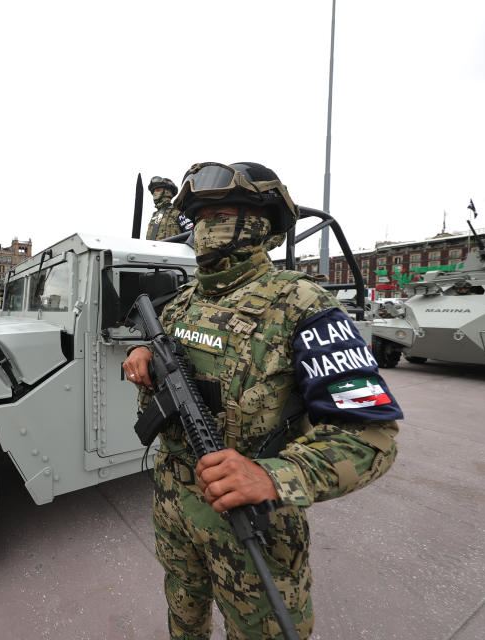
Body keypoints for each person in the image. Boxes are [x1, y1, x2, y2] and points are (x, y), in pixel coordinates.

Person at [122, 161, 402, 639]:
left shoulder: (304, 305)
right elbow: (167, 343)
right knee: (182, 612)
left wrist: (273, 476)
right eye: (201, 215)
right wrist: (143, 351)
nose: (209, 225)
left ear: (262, 222)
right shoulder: (184, 301)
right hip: (174, 505)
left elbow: (371, 437)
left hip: (253, 524)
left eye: (223, 211)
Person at [146, 177, 193, 241]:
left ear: (167, 192)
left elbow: (191, 234)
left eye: (158, 190)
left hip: (173, 250)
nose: (154, 193)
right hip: (152, 250)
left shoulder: (177, 213)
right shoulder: (154, 216)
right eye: (153, 191)